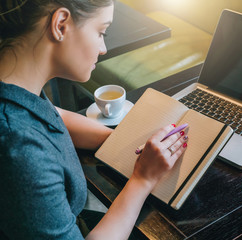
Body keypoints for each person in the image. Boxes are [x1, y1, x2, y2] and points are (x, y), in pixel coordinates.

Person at [0, 0, 188, 239]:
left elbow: (54, 116)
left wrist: (119, 142)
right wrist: (143, 179)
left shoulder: (16, 86)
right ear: (61, 25)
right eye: (101, 32)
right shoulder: (18, 149)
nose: (103, 48)